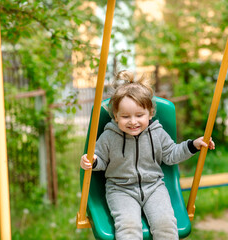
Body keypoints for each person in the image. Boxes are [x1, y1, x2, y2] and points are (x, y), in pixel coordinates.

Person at [80, 70, 215, 240]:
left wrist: (192, 145)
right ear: (115, 116)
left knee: (166, 224)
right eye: (125, 116)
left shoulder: (157, 133)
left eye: (139, 115)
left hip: (154, 187)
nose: (133, 121)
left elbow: (171, 154)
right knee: (128, 228)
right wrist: (92, 161)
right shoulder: (109, 137)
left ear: (150, 113)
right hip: (120, 189)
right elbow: (100, 159)